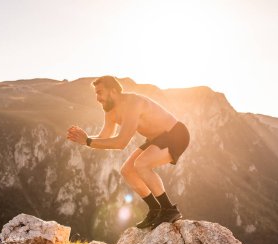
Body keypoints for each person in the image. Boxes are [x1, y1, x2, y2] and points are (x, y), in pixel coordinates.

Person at [66, 75, 190, 230]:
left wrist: (88, 142)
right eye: (96, 93)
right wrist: (85, 138)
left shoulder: (133, 103)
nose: (97, 98)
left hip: (175, 134)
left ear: (113, 91)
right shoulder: (110, 112)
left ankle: (169, 209)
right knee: (127, 171)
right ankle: (155, 209)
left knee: (142, 164)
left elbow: (121, 143)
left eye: (100, 93)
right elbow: (105, 136)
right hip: (156, 138)